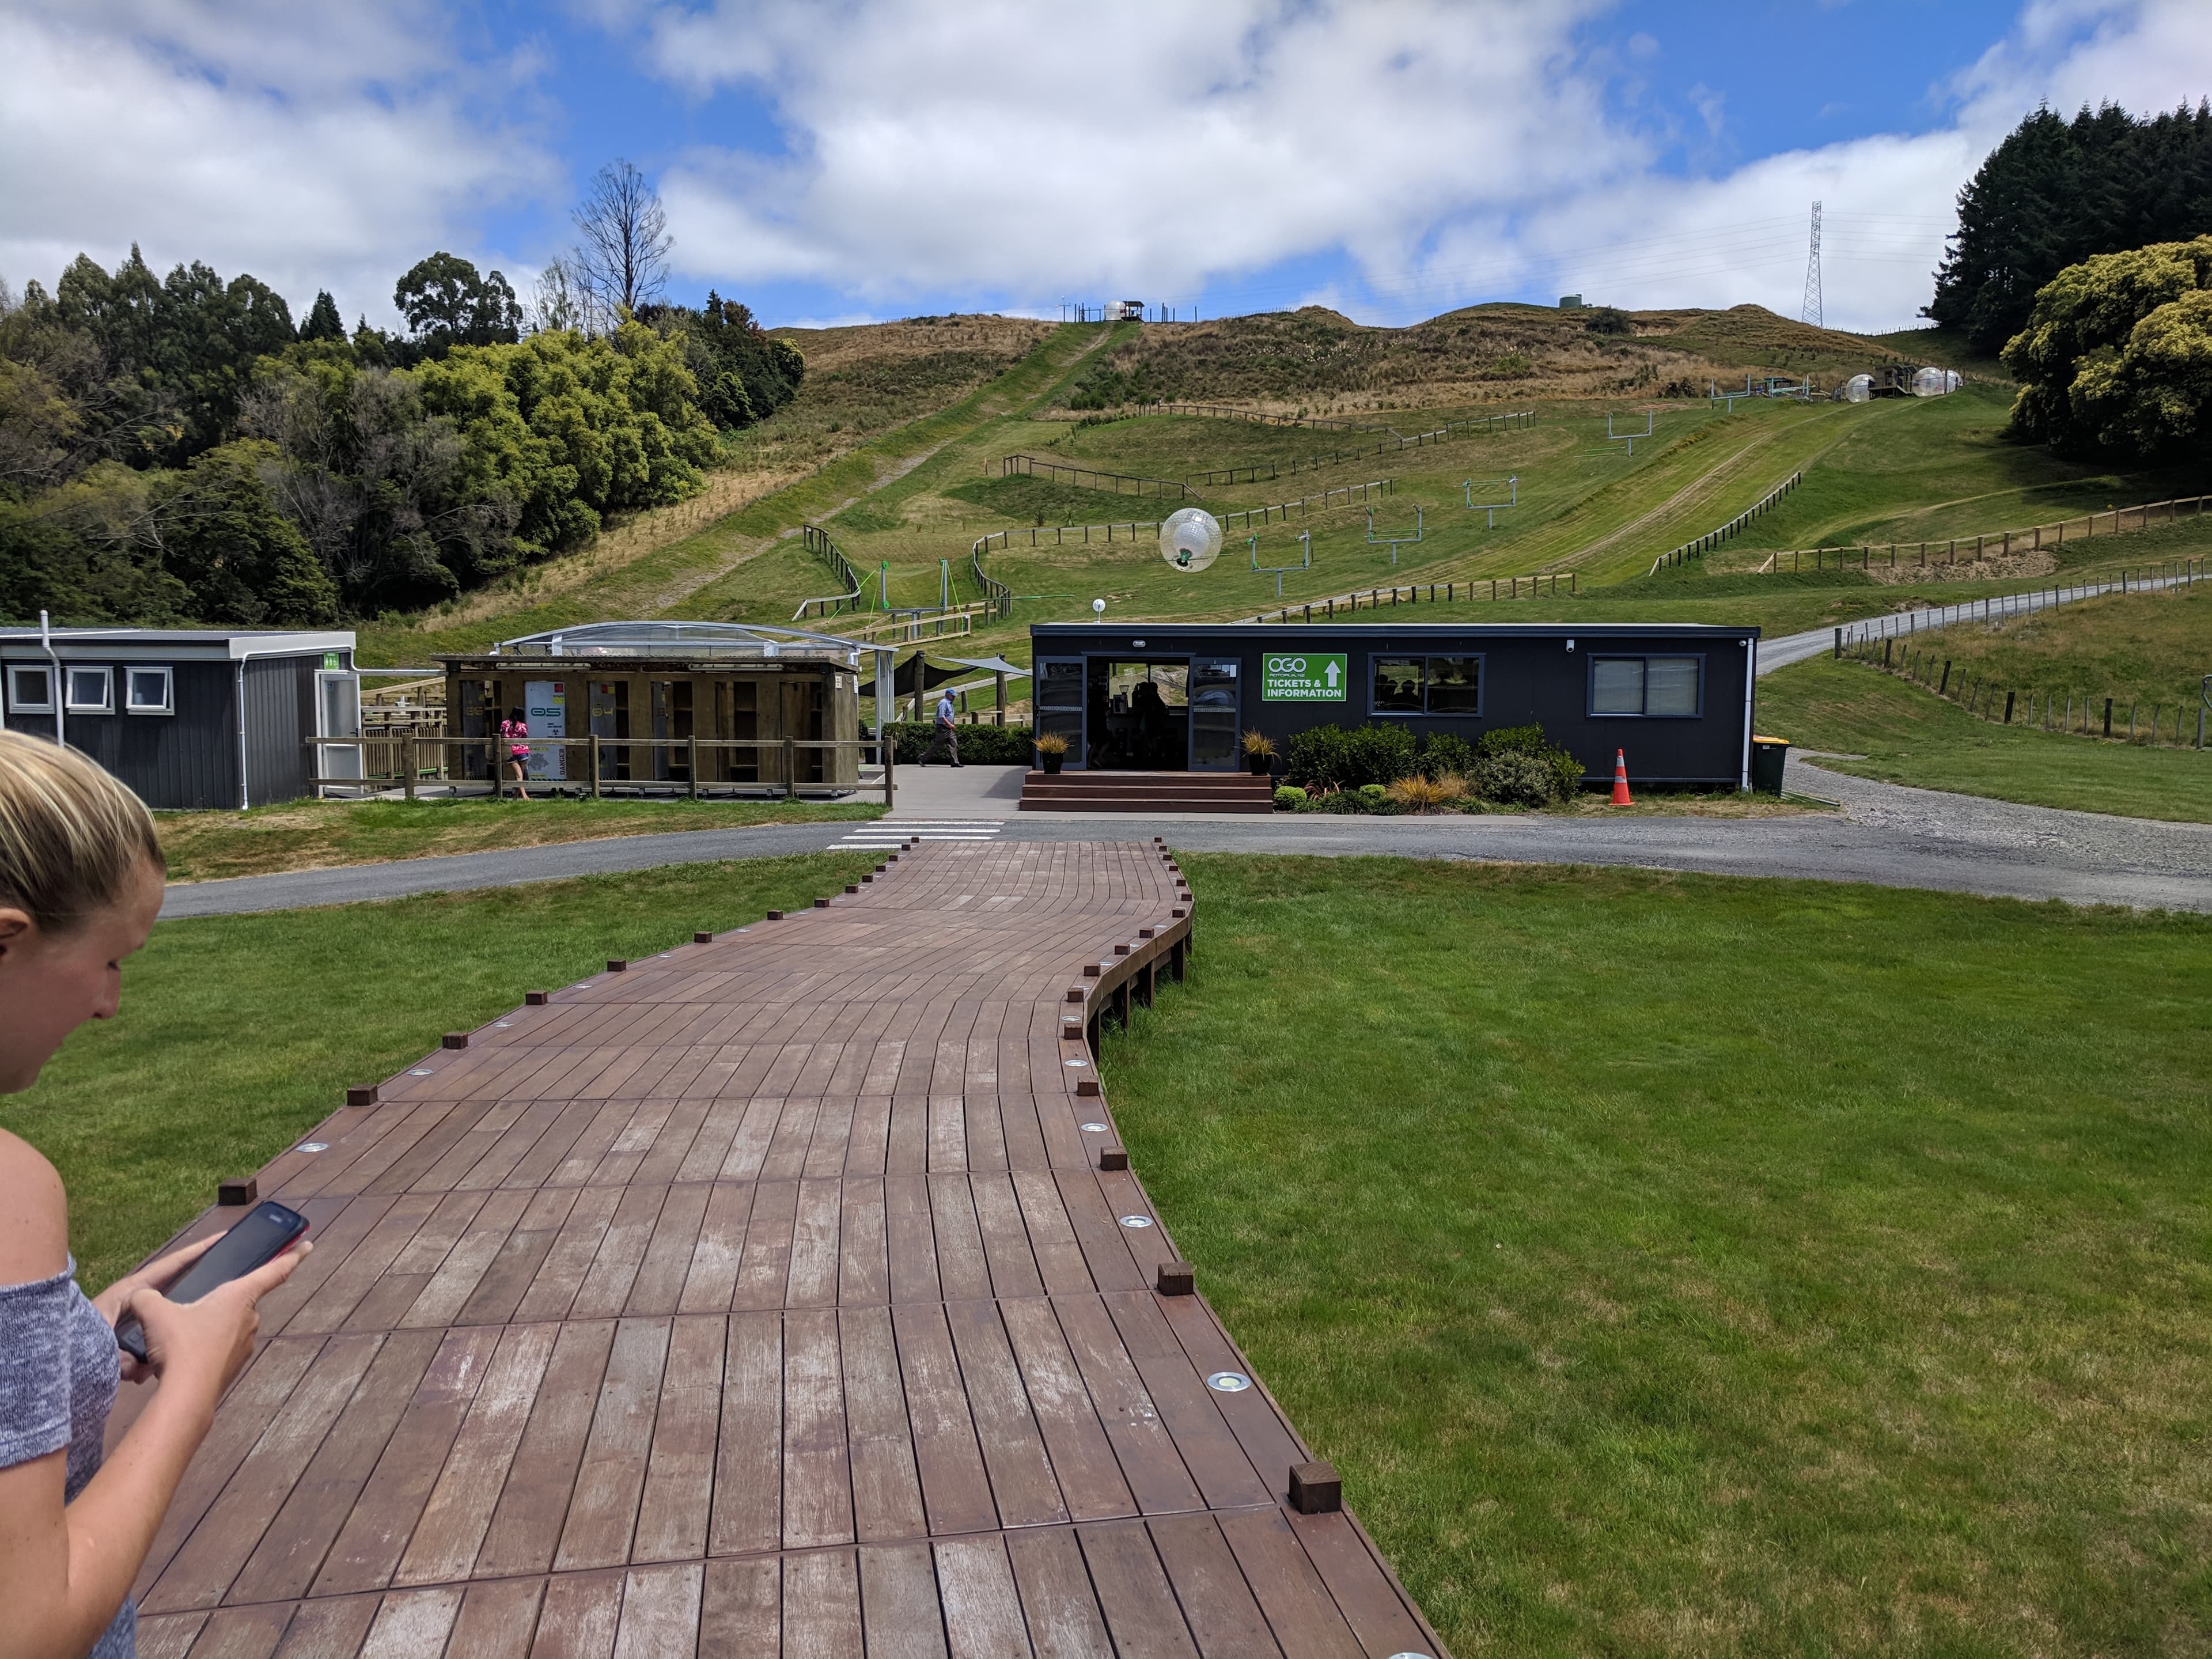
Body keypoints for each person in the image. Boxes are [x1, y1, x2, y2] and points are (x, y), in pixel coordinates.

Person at [0, 732, 309, 1659]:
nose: (110, 1004)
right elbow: (27, 1627)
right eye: (108, 960)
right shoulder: (9, 1191)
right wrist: (196, 1383)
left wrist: (69, 1330)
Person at [921, 687, 962, 767]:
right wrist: (950, 725)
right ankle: (922, 758)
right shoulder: (943, 703)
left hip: (948, 728)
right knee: (937, 745)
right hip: (942, 728)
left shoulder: (949, 703)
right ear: (948, 695)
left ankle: (955, 762)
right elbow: (942, 716)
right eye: (953, 696)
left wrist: (951, 725)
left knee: (954, 744)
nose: (954, 697)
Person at [497, 706, 531, 798]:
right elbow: (525, 736)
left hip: (509, 750)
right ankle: (524, 796)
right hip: (522, 750)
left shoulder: (505, 724)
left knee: (518, 775)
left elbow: (502, 734)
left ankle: (516, 797)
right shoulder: (523, 726)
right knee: (521, 775)